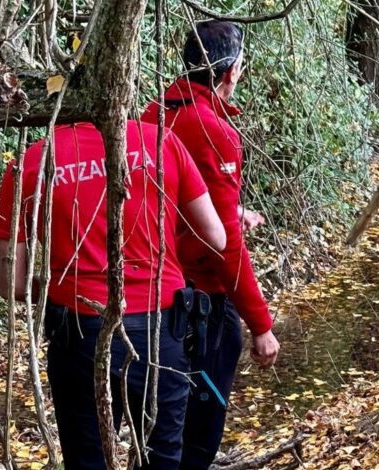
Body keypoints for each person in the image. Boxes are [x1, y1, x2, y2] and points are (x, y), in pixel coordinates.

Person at [0, 120, 226, 469]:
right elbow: (216, 238)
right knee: (162, 454)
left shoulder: (31, 161)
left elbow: (14, 283)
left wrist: (60, 283)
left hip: (79, 335)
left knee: (88, 457)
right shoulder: (161, 141)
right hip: (160, 331)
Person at [142, 20, 280, 469]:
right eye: (241, 64)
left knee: (160, 423)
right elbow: (225, 247)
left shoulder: (155, 114)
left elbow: (168, 197)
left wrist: (229, 213)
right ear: (231, 72)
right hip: (196, 299)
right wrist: (262, 324)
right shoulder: (212, 129)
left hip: (151, 294)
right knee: (198, 426)